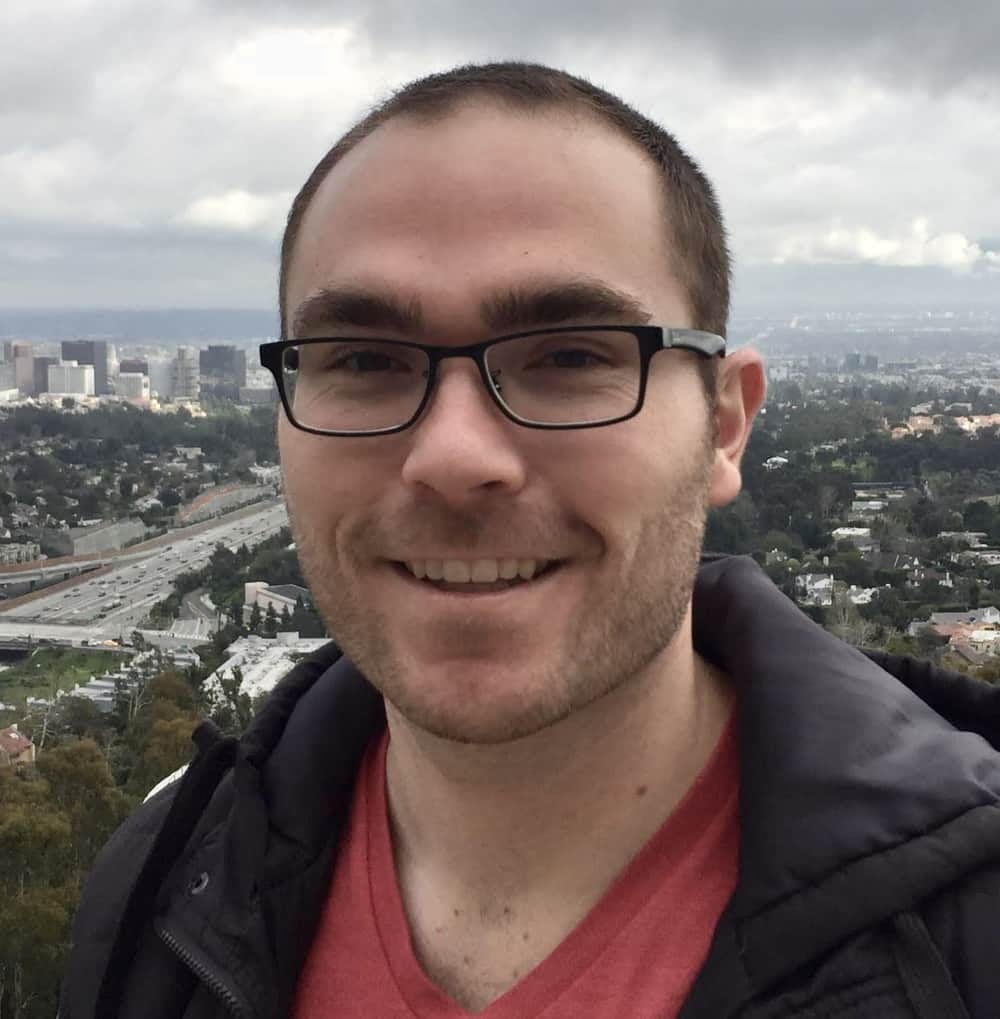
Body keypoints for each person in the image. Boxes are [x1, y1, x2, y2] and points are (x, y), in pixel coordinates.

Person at [61, 62, 1000, 1019]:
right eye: (364, 360)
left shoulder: (970, 934)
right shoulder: (160, 890)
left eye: (570, 354)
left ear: (724, 425)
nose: (453, 456)